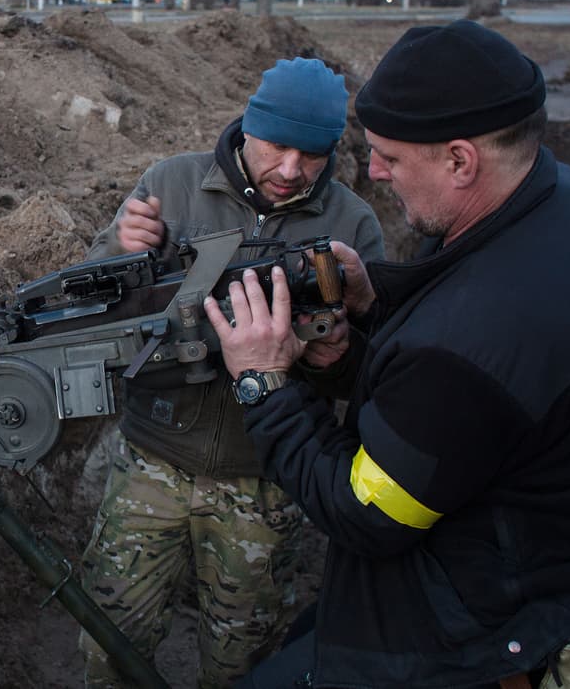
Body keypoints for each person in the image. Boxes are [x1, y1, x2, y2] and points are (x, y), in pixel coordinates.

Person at [206, 20, 570, 688]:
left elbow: (365, 513)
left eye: (389, 156)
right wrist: (374, 298)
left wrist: (264, 382)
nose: (373, 171)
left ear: (462, 160)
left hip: (509, 614)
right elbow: (463, 322)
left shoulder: (476, 340)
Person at [79, 57, 385, 688]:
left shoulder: (353, 227)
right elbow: (90, 307)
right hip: (151, 464)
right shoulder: (174, 183)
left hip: (267, 483)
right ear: (248, 125)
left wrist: (338, 358)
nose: (291, 170)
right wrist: (117, 251)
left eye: (313, 155)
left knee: (243, 660)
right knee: (109, 640)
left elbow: (375, 371)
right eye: (277, 146)